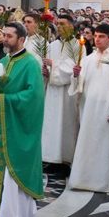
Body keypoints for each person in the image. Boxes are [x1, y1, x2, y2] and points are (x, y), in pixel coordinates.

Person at [0, 22, 45, 217]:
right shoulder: (3, 61)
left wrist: (5, 99)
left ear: (21, 39)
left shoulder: (30, 63)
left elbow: (33, 96)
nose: (4, 39)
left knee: (11, 170)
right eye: (4, 35)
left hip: (16, 126)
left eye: (9, 36)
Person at [68, 23, 109, 192]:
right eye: (96, 36)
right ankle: (82, 179)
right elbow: (79, 85)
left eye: (101, 36)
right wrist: (75, 76)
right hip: (88, 108)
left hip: (107, 110)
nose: (97, 39)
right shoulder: (87, 59)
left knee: (105, 146)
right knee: (86, 144)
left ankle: (103, 182)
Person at [41, 15, 79, 167]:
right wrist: (46, 72)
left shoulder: (78, 46)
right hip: (52, 91)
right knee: (50, 123)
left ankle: (64, 160)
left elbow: (74, 68)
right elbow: (48, 67)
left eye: (63, 24)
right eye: (58, 24)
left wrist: (54, 65)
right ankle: (49, 158)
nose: (59, 27)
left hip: (67, 93)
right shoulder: (53, 45)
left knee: (65, 125)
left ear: (71, 26)